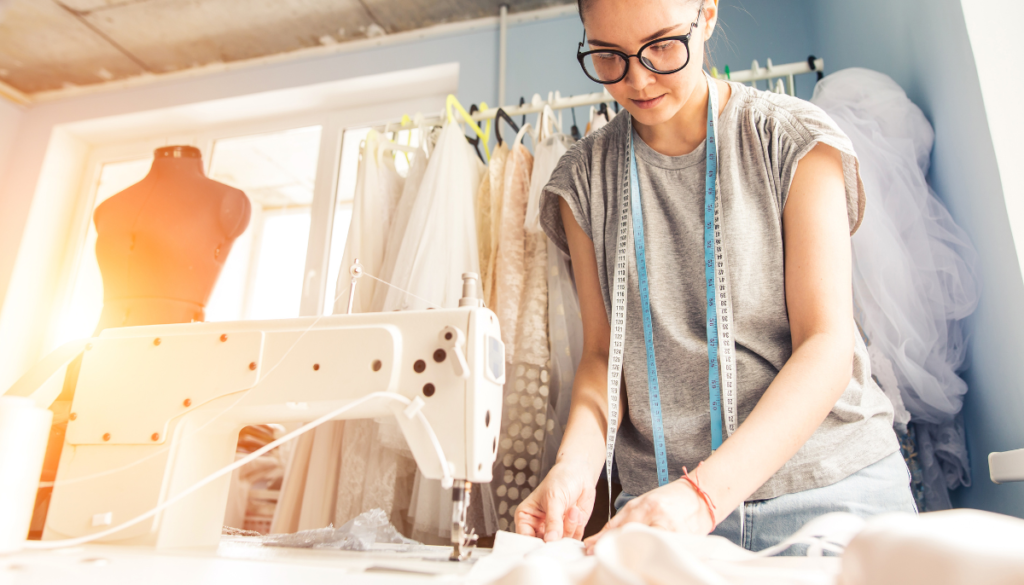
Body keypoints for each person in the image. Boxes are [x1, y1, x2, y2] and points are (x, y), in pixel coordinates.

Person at [517, 0, 916, 554]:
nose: (637, 78)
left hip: (829, 492)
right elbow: (602, 360)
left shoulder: (793, 139)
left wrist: (703, 497)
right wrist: (575, 469)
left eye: (661, 45)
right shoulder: (581, 181)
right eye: (608, 55)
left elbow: (827, 345)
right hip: (659, 511)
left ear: (706, 15)